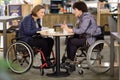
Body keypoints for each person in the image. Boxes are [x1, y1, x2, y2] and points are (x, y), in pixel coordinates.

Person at [61, 1, 101, 70]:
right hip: (85, 37)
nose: (74, 12)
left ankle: (70, 62)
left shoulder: (86, 17)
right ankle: (69, 61)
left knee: (72, 41)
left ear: (80, 10)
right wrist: (70, 29)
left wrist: (70, 30)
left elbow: (82, 30)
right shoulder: (82, 17)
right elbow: (79, 29)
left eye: (75, 10)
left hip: (89, 39)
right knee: (70, 39)